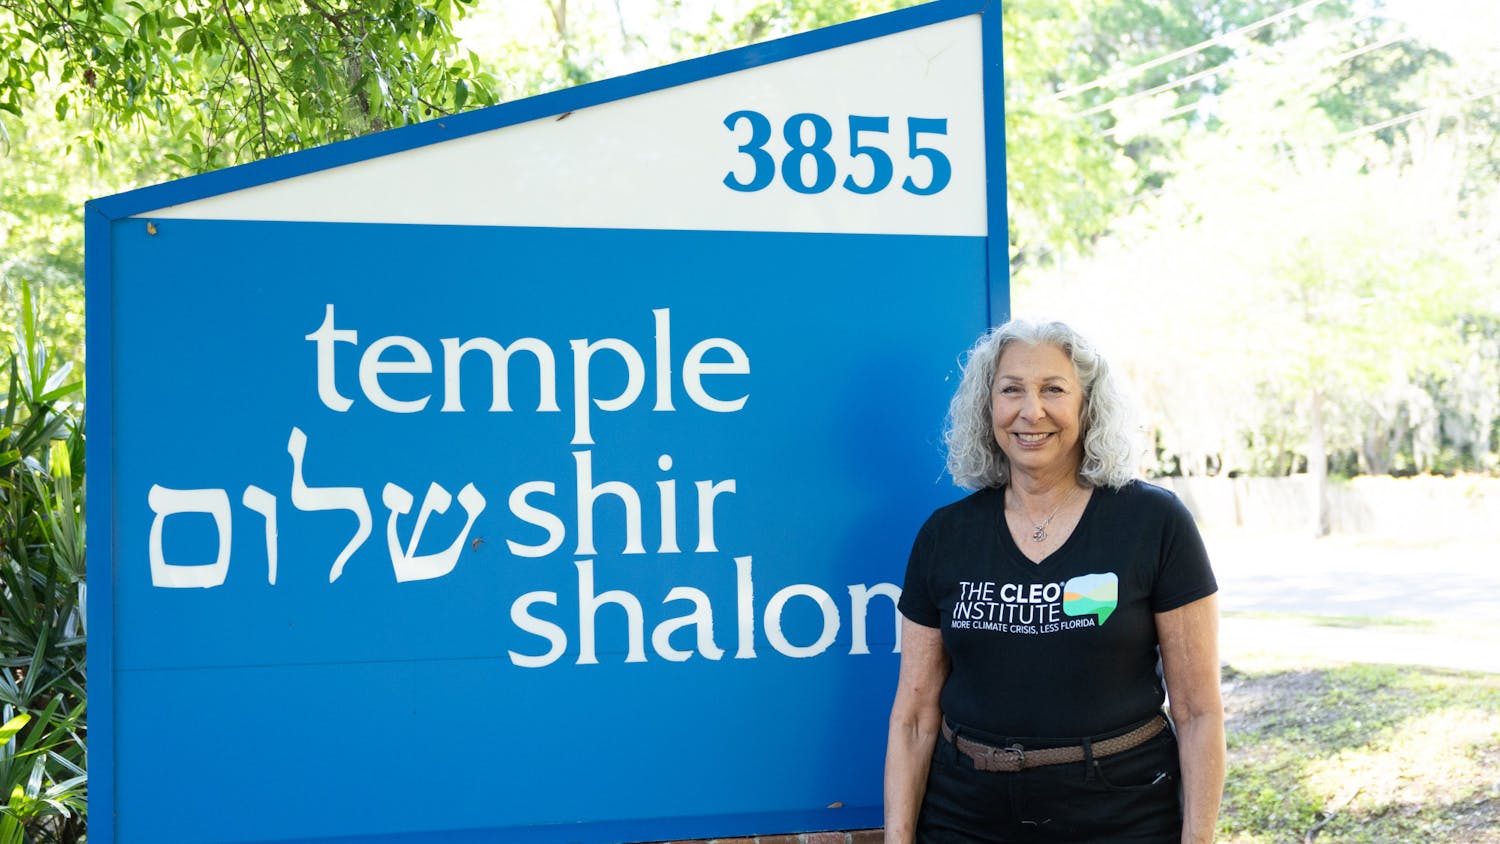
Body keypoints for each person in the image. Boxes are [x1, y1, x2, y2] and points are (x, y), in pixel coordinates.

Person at [884, 319, 1224, 844]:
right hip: (966, 815)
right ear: (987, 406)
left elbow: (1199, 712)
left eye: (1054, 390)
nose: (1031, 411)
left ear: (1088, 407)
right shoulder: (945, 536)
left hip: (1120, 811)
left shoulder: (1152, 523)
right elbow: (913, 715)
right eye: (1011, 389)